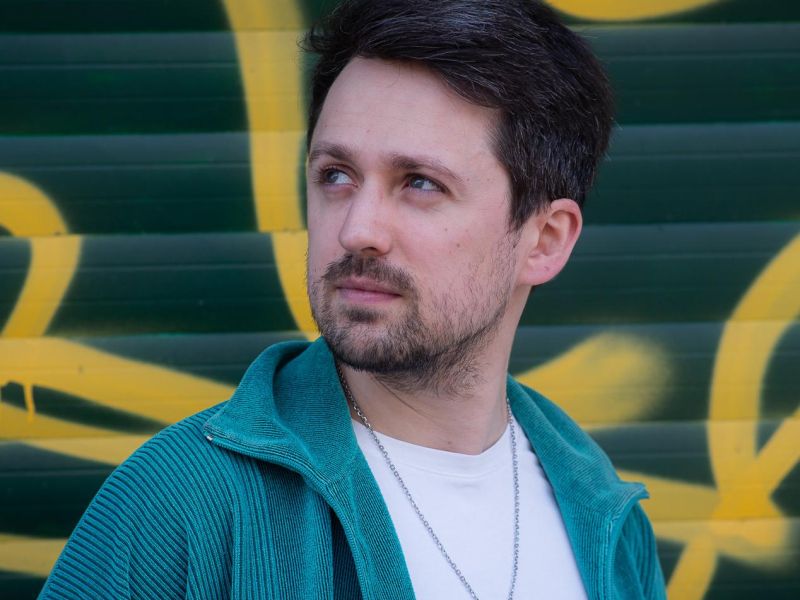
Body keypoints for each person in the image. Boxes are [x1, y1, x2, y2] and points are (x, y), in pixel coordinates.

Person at [40, 0, 666, 598]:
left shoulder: (605, 516)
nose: (356, 229)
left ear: (544, 241)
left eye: (420, 183)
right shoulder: (180, 505)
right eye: (335, 175)